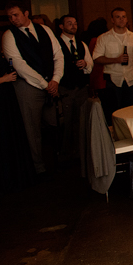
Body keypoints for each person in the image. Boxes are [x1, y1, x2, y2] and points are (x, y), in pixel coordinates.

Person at [2, 1, 65, 176]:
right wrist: (45, 85)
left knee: (56, 124)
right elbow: (19, 64)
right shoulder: (9, 35)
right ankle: (38, 167)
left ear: (26, 13)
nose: (13, 19)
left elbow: (58, 55)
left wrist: (56, 79)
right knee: (32, 129)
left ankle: (58, 160)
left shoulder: (44, 29)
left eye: (15, 15)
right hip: (28, 86)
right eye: (10, 17)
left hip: (51, 82)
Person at [0, 23, 35, 197]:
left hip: (5, 99)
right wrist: (4, 79)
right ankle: (2, 181)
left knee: (9, 134)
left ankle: (15, 177)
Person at [56, 14, 94, 160]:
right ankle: (65, 155)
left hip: (81, 88)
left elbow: (90, 64)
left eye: (75, 23)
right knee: (66, 122)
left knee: (81, 121)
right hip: (65, 88)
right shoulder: (56, 43)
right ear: (61, 26)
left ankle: (81, 153)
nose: (73, 25)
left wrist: (85, 65)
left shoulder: (81, 43)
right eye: (69, 23)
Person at [93, 7, 133, 117]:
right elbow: (96, 58)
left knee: (132, 111)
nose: (121, 19)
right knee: (114, 112)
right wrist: (116, 60)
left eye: (123, 17)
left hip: (131, 79)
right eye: (118, 17)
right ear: (112, 20)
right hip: (113, 80)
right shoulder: (104, 38)